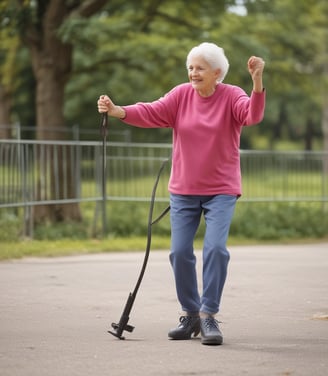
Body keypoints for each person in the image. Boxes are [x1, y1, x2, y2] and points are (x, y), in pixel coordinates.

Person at [97, 42, 265, 346]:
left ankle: (208, 315)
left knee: (215, 249)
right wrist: (118, 110)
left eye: (200, 68)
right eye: (190, 67)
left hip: (221, 190)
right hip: (184, 190)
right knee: (179, 252)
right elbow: (151, 111)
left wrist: (256, 82)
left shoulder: (232, 96)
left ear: (217, 73)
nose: (193, 72)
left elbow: (251, 116)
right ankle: (190, 314)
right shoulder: (180, 95)